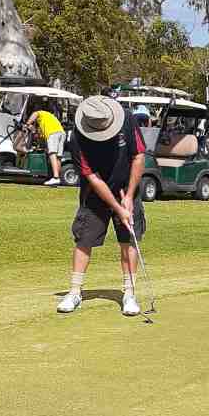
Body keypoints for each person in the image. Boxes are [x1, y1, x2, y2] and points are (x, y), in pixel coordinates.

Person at [57, 95, 146, 316]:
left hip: (127, 187)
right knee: (84, 239)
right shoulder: (77, 136)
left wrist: (129, 197)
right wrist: (117, 208)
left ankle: (129, 293)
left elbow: (138, 157)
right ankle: (75, 292)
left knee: (128, 241)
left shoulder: (127, 119)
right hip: (95, 193)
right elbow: (93, 178)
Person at [26, 104, 65, 186]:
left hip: (53, 133)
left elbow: (35, 114)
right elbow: (40, 136)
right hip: (61, 133)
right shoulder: (49, 118)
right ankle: (56, 178)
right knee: (58, 156)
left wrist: (28, 124)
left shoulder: (40, 113)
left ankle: (55, 177)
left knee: (52, 153)